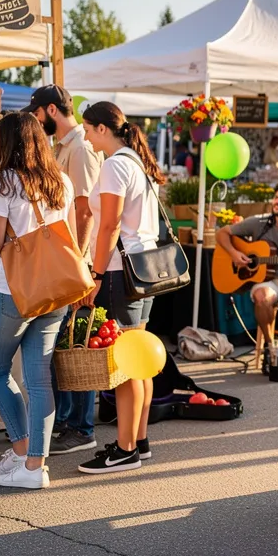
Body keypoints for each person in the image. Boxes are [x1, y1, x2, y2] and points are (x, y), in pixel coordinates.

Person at [0, 112, 74, 490]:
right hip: (56, 288)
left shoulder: (2, 180)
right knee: (39, 379)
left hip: (13, 289)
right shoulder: (63, 180)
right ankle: (33, 464)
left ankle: (23, 448)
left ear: (6, 141)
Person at [76, 102, 166, 474]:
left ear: (101, 129)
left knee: (126, 361)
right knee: (138, 356)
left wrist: (95, 276)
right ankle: (138, 441)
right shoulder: (134, 162)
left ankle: (126, 448)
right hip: (142, 269)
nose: (84, 135)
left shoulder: (115, 166)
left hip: (119, 271)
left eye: (87, 128)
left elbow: (109, 226)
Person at [23, 84, 104, 457]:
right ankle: (67, 422)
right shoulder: (65, 146)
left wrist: (79, 263)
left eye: (37, 113)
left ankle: (81, 427)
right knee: (61, 347)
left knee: (76, 346)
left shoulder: (81, 149)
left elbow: (86, 211)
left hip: (76, 264)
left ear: (51, 110)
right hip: (65, 261)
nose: (35, 121)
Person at [216, 183, 278, 354]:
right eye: (276, 197)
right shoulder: (259, 223)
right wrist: (234, 254)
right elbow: (222, 233)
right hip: (267, 280)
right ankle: (271, 347)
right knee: (262, 298)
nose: (277, 201)